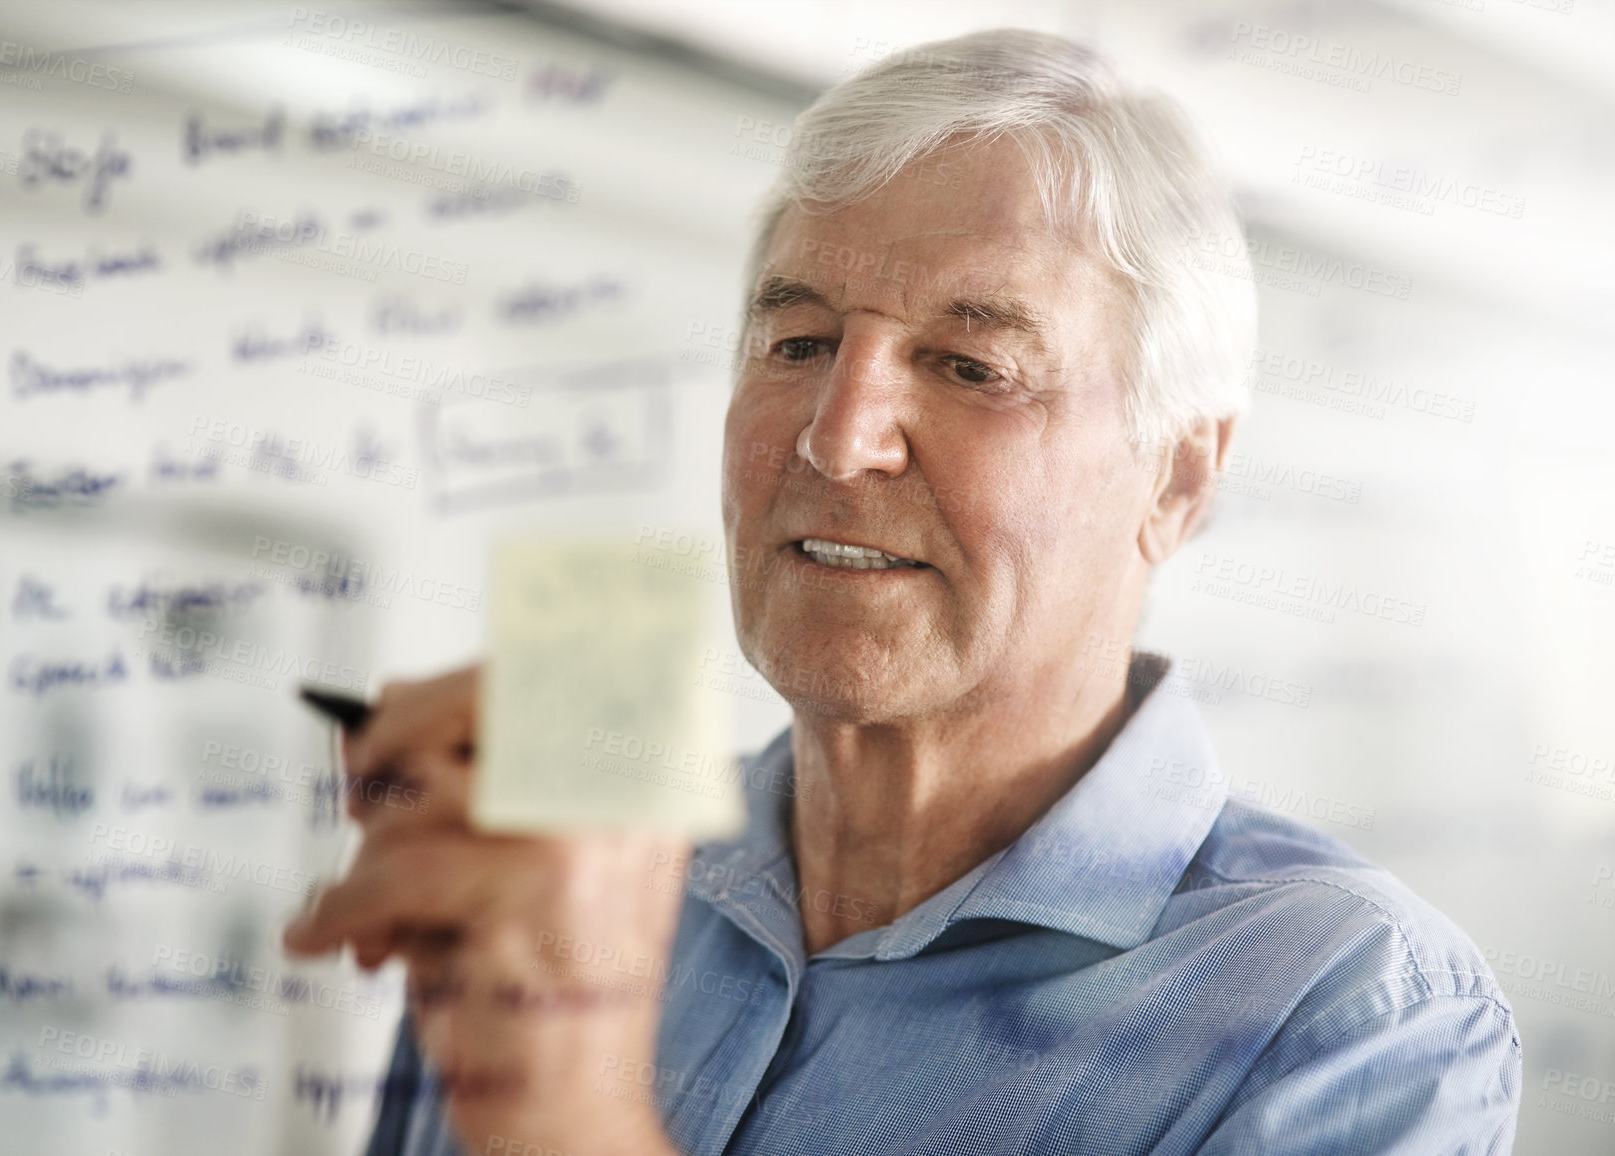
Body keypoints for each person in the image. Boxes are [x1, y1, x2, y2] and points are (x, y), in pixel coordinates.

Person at [284, 28, 1521, 1156]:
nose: (838, 438)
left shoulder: (1349, 1011)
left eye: (971, 364)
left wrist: (569, 1115)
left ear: (1176, 480)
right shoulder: (568, 899)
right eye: (800, 343)